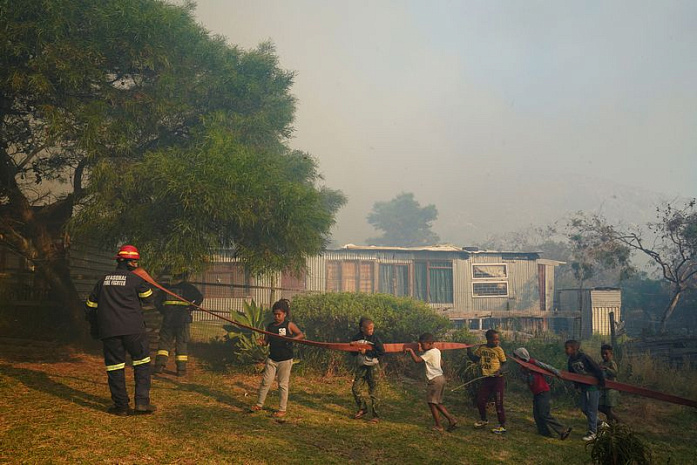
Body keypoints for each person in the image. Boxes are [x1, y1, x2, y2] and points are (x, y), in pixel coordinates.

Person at [84, 245, 157, 416]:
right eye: (134, 261)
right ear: (130, 262)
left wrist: (95, 327)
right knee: (142, 364)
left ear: (118, 260)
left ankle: (121, 406)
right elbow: (149, 299)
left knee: (115, 367)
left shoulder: (103, 281)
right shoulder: (135, 280)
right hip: (133, 330)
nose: (135, 264)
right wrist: (144, 279)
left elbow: (89, 306)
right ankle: (141, 404)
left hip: (110, 331)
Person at [250, 299, 304, 418]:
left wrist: (293, 340)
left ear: (284, 314)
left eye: (279, 314)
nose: (277, 316)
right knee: (266, 382)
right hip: (272, 359)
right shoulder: (270, 327)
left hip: (285, 360)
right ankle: (259, 404)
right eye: (275, 314)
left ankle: (282, 410)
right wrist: (262, 342)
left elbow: (301, 335)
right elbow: (266, 342)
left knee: (282, 385)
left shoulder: (289, 325)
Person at [513, 347, 572, 440]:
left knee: (544, 413)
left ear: (521, 356)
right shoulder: (522, 369)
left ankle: (563, 430)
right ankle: (544, 433)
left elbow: (546, 367)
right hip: (536, 392)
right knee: (537, 414)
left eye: (516, 356)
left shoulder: (532, 362)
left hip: (543, 391)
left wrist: (557, 373)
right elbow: (525, 380)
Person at [152, 272, 203, 377]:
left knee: (164, 343)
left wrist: (164, 311)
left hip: (168, 320)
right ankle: (181, 370)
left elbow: (157, 302)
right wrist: (191, 308)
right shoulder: (188, 287)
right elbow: (199, 297)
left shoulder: (166, 288)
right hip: (182, 320)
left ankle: (159, 367)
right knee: (181, 343)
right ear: (184, 277)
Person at [404, 333, 458, 432]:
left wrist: (410, 350)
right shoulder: (437, 351)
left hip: (434, 380)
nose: (420, 346)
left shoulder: (429, 353)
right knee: (437, 402)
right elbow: (442, 363)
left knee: (432, 403)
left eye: (422, 344)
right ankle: (450, 420)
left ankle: (440, 425)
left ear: (429, 343)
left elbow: (417, 360)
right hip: (441, 378)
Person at [467, 329, 507, 434]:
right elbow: (474, 359)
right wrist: (468, 350)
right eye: (495, 340)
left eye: (498, 339)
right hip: (487, 379)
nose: (497, 341)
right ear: (488, 339)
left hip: (497, 380)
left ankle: (502, 425)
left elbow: (505, 364)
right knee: (480, 401)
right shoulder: (482, 348)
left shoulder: (499, 350)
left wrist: (500, 371)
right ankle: (484, 420)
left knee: (498, 403)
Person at [565, 339, 605, 441]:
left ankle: (593, 432)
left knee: (592, 410)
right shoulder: (570, 361)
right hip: (583, 388)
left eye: (567, 348)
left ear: (574, 349)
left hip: (592, 387)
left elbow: (596, 369)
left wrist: (601, 383)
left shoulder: (584, 357)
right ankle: (600, 424)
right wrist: (576, 386)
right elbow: (572, 375)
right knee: (584, 408)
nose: (565, 350)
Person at [350, 317, 385, 423]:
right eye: (369, 329)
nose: (371, 331)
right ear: (362, 329)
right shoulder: (356, 338)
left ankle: (376, 416)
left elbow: (381, 352)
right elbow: (352, 353)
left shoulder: (375, 339)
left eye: (372, 329)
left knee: (374, 391)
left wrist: (367, 352)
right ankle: (363, 408)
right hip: (361, 366)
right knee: (355, 388)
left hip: (373, 366)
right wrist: (354, 348)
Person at [598, 344, 621, 424]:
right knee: (599, 405)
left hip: (611, 389)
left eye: (606, 353)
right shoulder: (601, 363)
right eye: (602, 354)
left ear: (611, 354)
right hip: (603, 388)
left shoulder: (612, 363)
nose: (604, 355)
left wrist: (607, 369)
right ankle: (616, 418)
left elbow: (615, 373)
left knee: (608, 408)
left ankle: (612, 423)